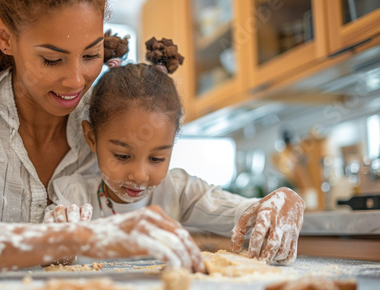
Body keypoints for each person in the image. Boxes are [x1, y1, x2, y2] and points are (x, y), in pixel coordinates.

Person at [0, 0, 205, 278]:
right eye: (52, 59)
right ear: (5, 36)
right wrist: (78, 238)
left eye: (91, 55)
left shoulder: (108, 123)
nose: (76, 81)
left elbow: (175, 194)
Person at [45, 37, 306, 265]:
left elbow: (245, 212)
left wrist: (281, 200)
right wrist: (60, 238)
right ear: (91, 138)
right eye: (122, 156)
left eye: (157, 158)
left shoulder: (179, 190)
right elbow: (54, 254)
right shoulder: (73, 194)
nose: (139, 175)